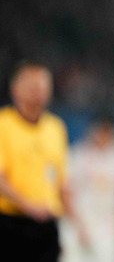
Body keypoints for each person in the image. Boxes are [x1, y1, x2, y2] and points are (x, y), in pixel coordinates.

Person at [0, 60, 78, 261]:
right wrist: (29, 207)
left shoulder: (55, 128)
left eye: (43, 86)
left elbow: (61, 181)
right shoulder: (4, 124)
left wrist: (75, 223)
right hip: (11, 223)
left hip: (47, 225)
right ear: (15, 89)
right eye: (32, 86)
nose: (38, 92)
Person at [60, 114, 114, 262]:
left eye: (107, 130)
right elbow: (65, 193)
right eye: (100, 130)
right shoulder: (77, 155)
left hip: (111, 230)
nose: (103, 135)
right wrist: (78, 226)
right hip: (78, 228)